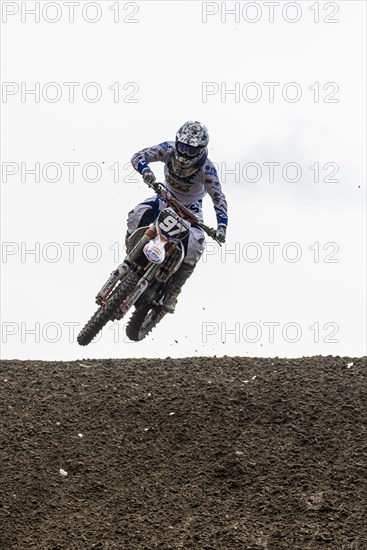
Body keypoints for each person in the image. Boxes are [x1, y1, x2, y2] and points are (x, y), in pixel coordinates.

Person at [128, 120, 228, 313]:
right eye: (182, 147)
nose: (184, 154)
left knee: (195, 245)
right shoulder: (167, 149)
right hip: (164, 196)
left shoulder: (207, 170)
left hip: (190, 209)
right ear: (177, 142)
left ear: (200, 150)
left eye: (191, 151)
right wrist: (145, 170)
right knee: (137, 214)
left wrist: (222, 227)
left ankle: (174, 290)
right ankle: (131, 252)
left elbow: (219, 199)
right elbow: (138, 156)